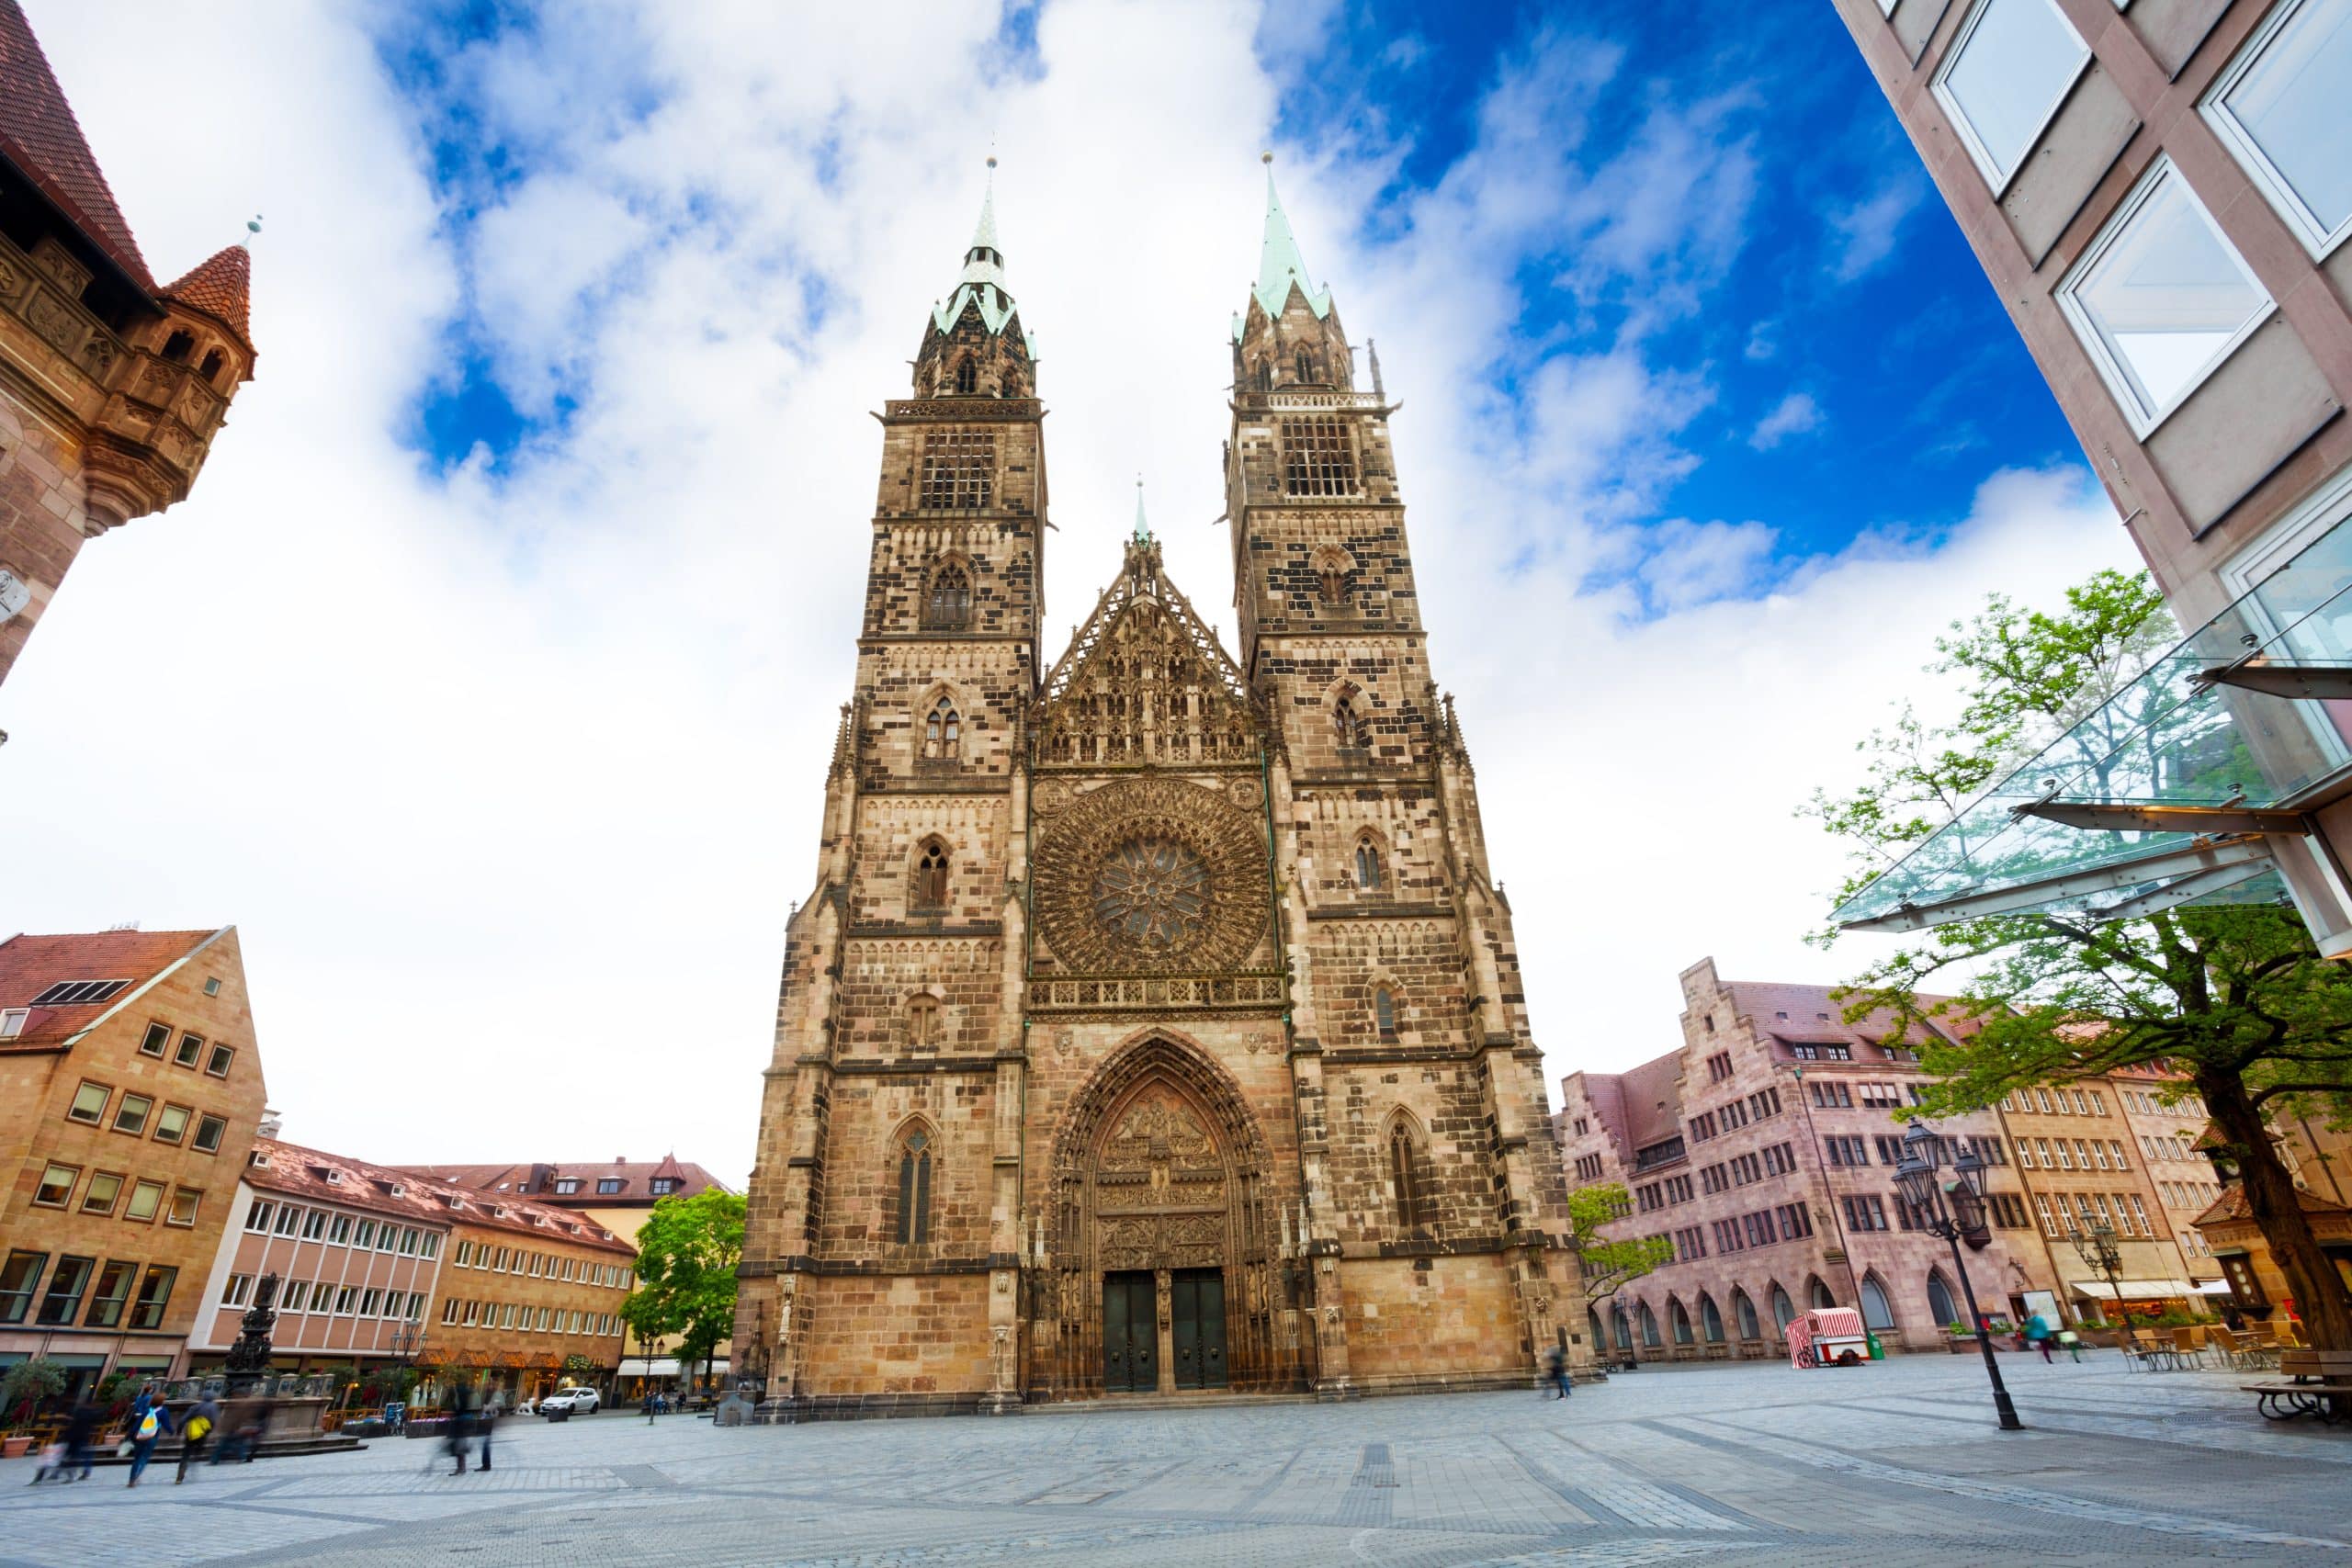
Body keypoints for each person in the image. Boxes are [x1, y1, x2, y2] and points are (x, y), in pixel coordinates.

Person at [125, 1392, 175, 1486]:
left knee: (137, 1459)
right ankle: (136, 1475)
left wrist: (131, 1435)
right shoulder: (163, 1411)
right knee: (144, 1457)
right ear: (162, 1402)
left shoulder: (147, 1410)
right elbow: (166, 1424)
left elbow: (137, 1424)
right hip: (152, 1436)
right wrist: (171, 1432)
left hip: (140, 1436)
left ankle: (131, 1479)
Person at [175, 1395, 221, 1483]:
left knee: (186, 1454)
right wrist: (209, 1431)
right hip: (203, 1434)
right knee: (198, 1451)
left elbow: (182, 1420)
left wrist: (179, 1431)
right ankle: (194, 1464)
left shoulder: (195, 1407)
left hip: (191, 1433)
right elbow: (214, 1421)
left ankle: (180, 1476)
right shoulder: (213, 1407)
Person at [56, 1396, 100, 1483]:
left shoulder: (79, 1411)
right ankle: (82, 1472)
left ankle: (67, 1474)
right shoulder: (91, 1413)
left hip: (73, 1437)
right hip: (82, 1437)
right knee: (81, 1456)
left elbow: (73, 1423)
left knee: (71, 1455)